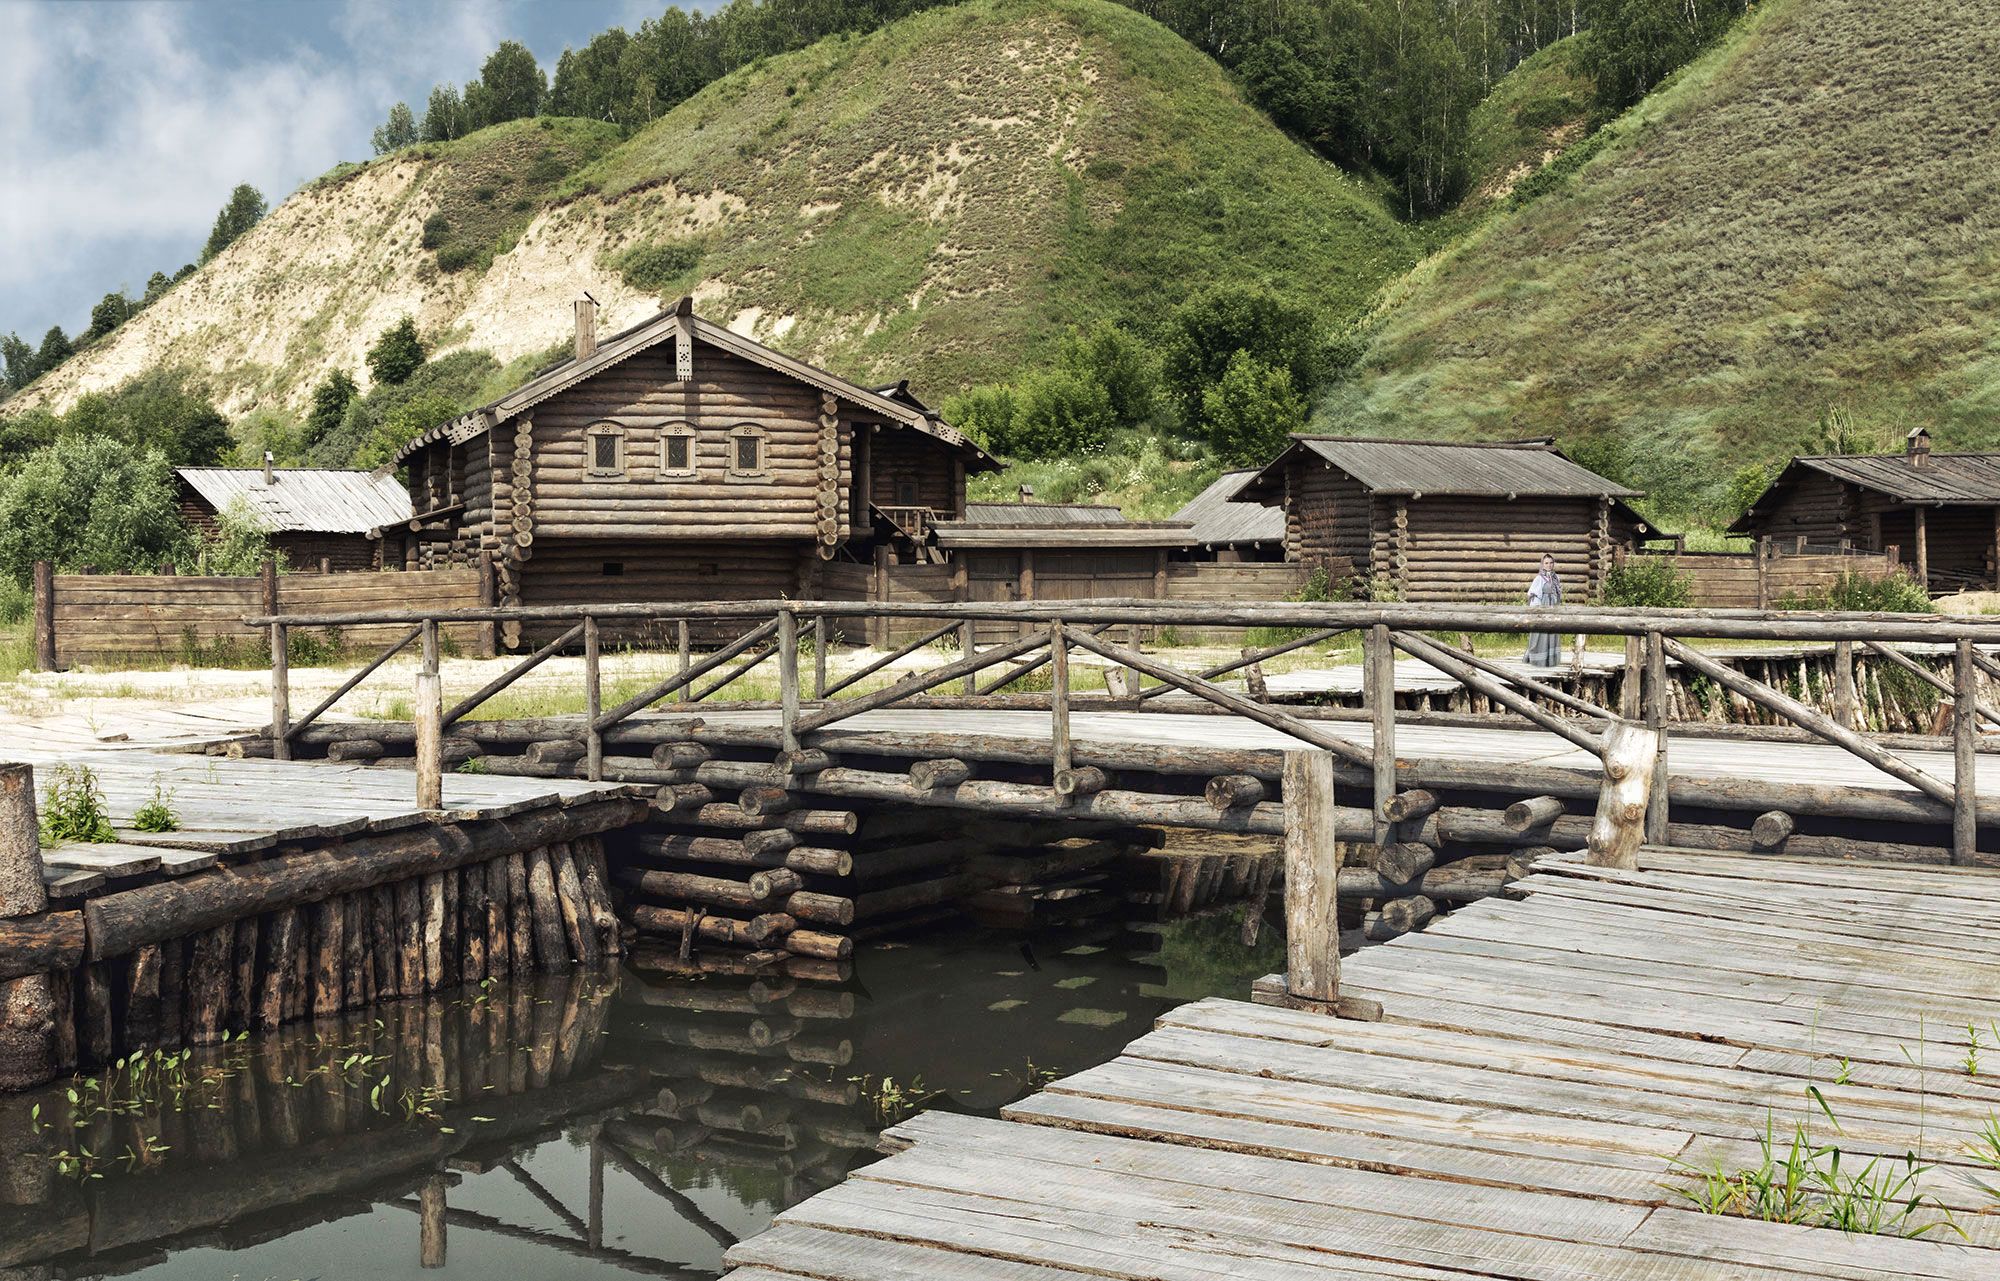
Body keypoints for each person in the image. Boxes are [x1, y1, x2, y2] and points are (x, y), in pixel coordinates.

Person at [1524, 553, 1564, 666]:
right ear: (1542, 564)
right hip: (1543, 607)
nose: (1549, 565)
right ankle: (1537, 659)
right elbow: (1532, 595)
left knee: (1552, 632)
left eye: (1551, 563)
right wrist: (1536, 610)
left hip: (1554, 608)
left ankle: (1550, 661)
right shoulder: (1539, 578)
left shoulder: (1556, 578)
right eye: (1546, 563)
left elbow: (1558, 594)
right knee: (1540, 633)